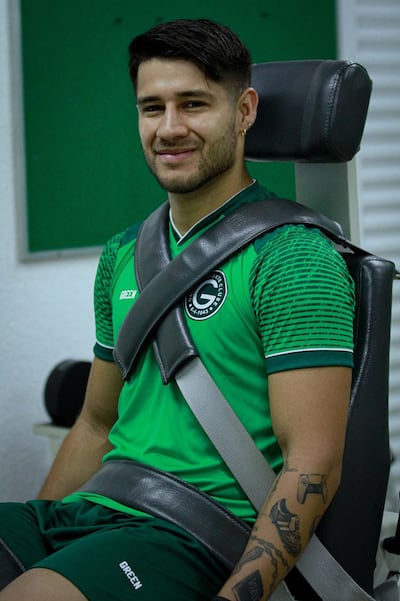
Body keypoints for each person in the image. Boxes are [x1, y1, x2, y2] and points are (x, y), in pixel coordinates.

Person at [0, 18, 355, 601]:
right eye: (152, 108)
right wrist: (40, 537)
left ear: (244, 111)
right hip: (94, 512)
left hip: (191, 535)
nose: (169, 128)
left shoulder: (293, 257)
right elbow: (95, 422)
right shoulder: (122, 254)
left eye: (193, 104)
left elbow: (313, 463)